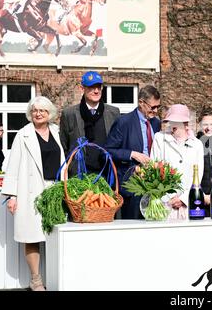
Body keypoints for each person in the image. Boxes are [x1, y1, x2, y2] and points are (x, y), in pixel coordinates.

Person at [1, 96, 65, 291]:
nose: (38, 113)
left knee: (55, 236)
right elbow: (13, 166)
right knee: (31, 236)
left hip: (55, 190)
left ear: (49, 114)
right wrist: (12, 196)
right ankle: (36, 280)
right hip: (31, 191)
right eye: (35, 110)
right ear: (30, 113)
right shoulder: (23, 134)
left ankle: (56, 278)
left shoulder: (56, 131)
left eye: (43, 110)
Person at [105, 85, 161, 219]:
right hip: (131, 184)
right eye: (152, 107)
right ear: (141, 102)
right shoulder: (124, 122)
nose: (156, 111)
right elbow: (107, 150)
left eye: (158, 107)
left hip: (153, 183)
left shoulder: (156, 123)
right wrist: (132, 154)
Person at [59, 71, 120, 177]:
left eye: (99, 87)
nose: (96, 91)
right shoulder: (69, 114)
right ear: (82, 88)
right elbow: (64, 145)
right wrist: (72, 167)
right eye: (92, 87)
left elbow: (118, 143)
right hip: (79, 176)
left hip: (106, 174)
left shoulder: (113, 112)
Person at [150, 104, 204, 220]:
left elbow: (198, 175)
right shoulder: (159, 138)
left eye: (177, 121)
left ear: (185, 123)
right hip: (165, 203)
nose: (172, 124)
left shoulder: (197, 144)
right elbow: (154, 170)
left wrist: (183, 199)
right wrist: (169, 197)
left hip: (188, 204)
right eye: (171, 121)